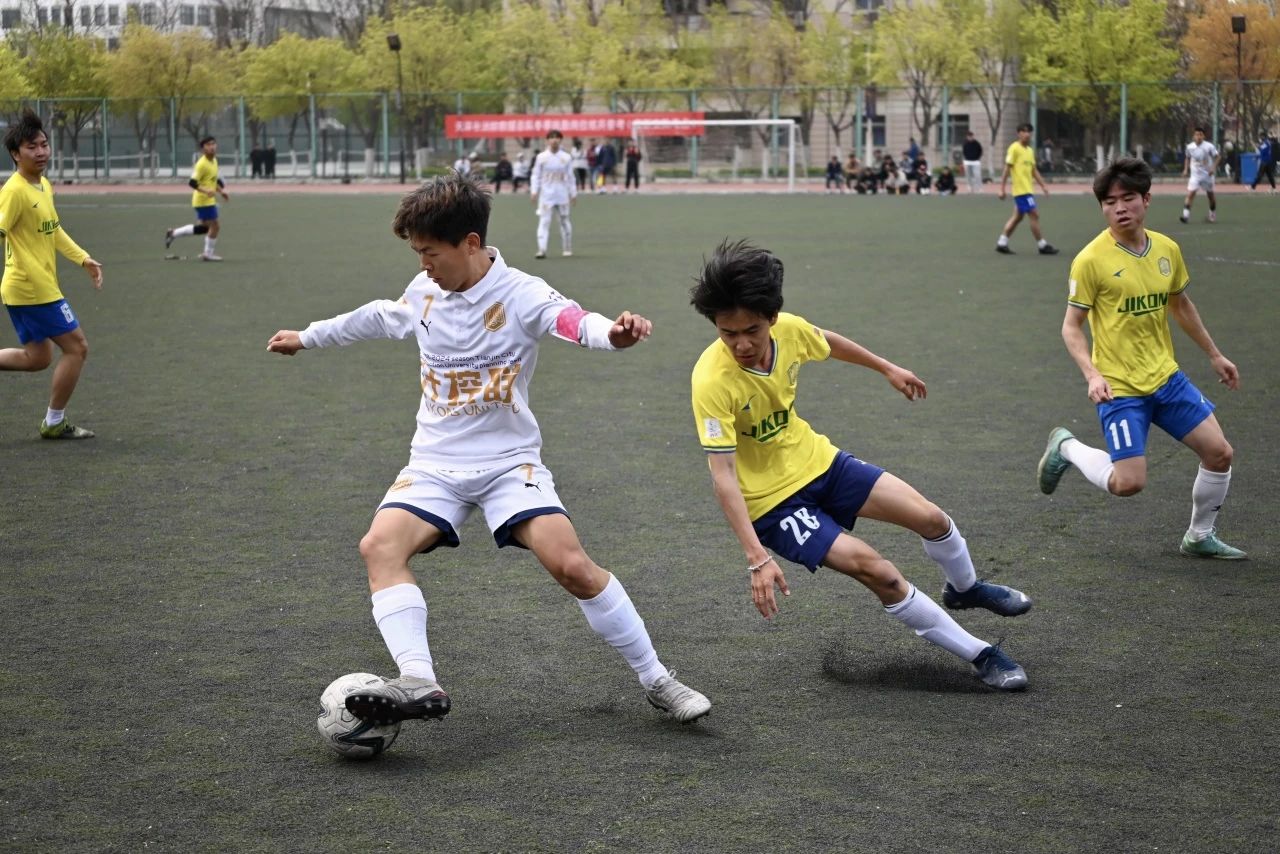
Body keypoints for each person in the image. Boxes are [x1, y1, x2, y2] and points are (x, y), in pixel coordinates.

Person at [266, 174, 712, 728]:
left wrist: (615, 335)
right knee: (378, 547)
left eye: (431, 252)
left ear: (471, 243)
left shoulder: (523, 293)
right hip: (434, 464)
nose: (424, 264)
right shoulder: (424, 291)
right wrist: (307, 336)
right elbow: (378, 316)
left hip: (509, 465)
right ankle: (418, 680)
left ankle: (658, 679)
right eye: (418, 253)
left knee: (571, 565)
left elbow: (574, 321)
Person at [688, 240, 1030, 692]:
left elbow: (825, 340)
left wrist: (886, 367)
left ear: (772, 317)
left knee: (932, 518)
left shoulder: (789, 331)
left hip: (818, 462)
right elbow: (723, 477)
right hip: (773, 506)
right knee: (878, 571)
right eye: (727, 333)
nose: (741, 344)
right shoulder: (711, 380)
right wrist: (757, 558)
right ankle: (982, 654)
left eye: (751, 330)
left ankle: (965, 588)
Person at [1038, 157, 1245, 560]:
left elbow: (1180, 305)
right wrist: (1092, 374)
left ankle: (1199, 535)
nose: (1119, 208)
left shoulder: (1166, 249)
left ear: (1146, 199)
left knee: (1220, 453)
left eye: (1128, 198)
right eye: (1109, 202)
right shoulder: (1090, 260)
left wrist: (1215, 355)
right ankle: (1066, 447)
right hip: (1119, 388)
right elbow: (1071, 327)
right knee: (1128, 483)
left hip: (1166, 378)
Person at [0, 109, 104, 440]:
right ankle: (54, 421)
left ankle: (54, 421)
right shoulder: (14, 191)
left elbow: (53, 230)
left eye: (44, 144)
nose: (41, 151)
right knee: (78, 347)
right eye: (32, 147)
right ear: (16, 154)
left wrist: (83, 259)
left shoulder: (43, 185)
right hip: (32, 289)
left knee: (37, 358)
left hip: (29, 289)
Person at [164, 135, 229, 262]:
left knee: (205, 228)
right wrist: (206, 191)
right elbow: (192, 183)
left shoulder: (214, 161)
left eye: (213, 144)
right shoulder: (201, 164)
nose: (212, 147)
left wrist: (221, 192)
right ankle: (208, 254)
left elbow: (213, 180)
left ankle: (173, 233)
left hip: (207, 200)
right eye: (208, 145)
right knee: (215, 226)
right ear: (203, 148)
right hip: (203, 201)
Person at [996, 123, 1058, 255]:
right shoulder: (1014, 148)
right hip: (1021, 192)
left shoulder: (1029, 151)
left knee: (1017, 218)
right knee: (1034, 214)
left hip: (1028, 190)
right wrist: (1002, 188)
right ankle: (1042, 245)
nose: (1027, 134)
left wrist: (1043, 186)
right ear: (1018, 133)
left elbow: (1034, 171)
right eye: (1024, 131)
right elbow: (1007, 169)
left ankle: (1002, 242)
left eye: (1029, 131)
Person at [530, 129, 576, 258]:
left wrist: (573, 193)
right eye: (551, 137)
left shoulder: (566, 157)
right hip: (546, 195)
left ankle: (567, 248)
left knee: (564, 221)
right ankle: (542, 249)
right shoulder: (541, 157)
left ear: (560, 140)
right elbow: (536, 175)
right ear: (547, 140)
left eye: (557, 137)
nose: (554, 140)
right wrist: (534, 191)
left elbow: (570, 177)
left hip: (562, 195)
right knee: (544, 221)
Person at [1180, 127, 1220, 223]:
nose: (1198, 137)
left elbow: (1218, 157)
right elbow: (1187, 158)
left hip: (1207, 175)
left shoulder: (1209, 146)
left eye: (1200, 135)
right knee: (1190, 194)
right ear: (1194, 136)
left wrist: (1213, 168)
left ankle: (1212, 214)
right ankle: (1185, 216)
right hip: (1195, 176)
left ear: (1204, 136)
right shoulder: (1190, 147)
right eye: (1197, 134)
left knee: (1210, 195)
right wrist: (1185, 169)